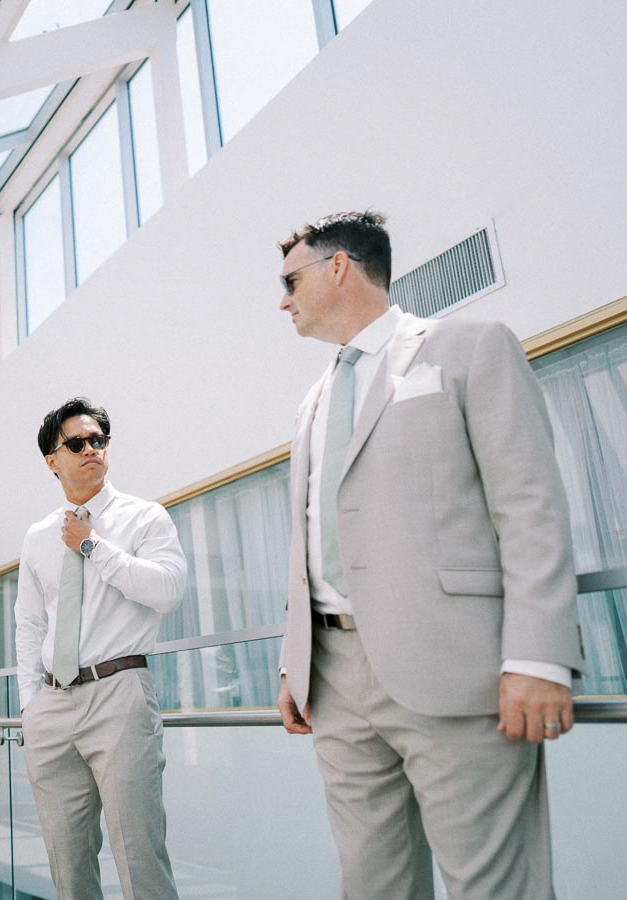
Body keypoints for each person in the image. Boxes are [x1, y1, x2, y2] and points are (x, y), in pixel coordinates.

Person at [274, 211, 583, 898]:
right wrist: (298, 660)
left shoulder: (469, 348)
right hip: (333, 682)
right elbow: (310, 538)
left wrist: (537, 655)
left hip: (456, 670)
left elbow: (530, 505)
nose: (283, 299)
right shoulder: (312, 402)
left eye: (291, 279)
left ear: (338, 267)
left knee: (492, 885)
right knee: (370, 883)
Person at [15, 398, 187, 900]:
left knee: (139, 853)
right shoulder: (38, 536)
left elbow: (168, 590)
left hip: (119, 694)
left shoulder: (144, 518)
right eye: (77, 442)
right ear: (53, 459)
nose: (91, 448)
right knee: (67, 861)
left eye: (99, 440)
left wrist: (93, 546)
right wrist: (31, 704)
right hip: (51, 705)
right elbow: (29, 623)